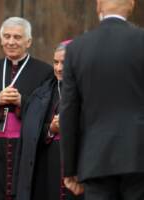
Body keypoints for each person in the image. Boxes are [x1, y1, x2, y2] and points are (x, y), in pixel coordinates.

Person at [60, 0, 144, 199]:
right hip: (140, 156)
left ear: (98, 5)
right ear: (131, 5)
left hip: (96, 160)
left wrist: (70, 168)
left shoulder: (77, 48)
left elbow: (69, 111)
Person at [0, 17, 54, 200]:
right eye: (7, 36)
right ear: (1, 39)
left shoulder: (44, 71)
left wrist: (23, 101)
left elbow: (48, 110)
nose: (11, 42)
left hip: (27, 147)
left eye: (17, 37)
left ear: (28, 41)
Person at [14, 40, 84, 200]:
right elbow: (30, 133)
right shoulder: (41, 93)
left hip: (78, 167)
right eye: (55, 62)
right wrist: (51, 129)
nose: (58, 68)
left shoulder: (90, 92)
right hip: (48, 167)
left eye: (64, 63)